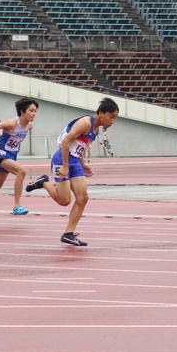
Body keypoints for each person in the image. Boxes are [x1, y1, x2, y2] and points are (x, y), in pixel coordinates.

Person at [26, 98, 119, 246]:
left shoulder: (95, 129)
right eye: (111, 117)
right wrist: (64, 165)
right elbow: (66, 142)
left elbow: (80, 146)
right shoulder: (86, 123)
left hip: (75, 161)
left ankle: (68, 233)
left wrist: (83, 165)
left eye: (115, 118)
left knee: (83, 198)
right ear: (101, 113)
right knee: (64, 201)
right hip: (61, 159)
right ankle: (44, 183)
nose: (113, 121)